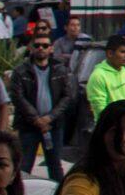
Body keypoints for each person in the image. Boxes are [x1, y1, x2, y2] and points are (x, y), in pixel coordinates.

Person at [8, 29, 75, 182]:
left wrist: (50, 118)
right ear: (31, 47)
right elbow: (17, 97)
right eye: (37, 45)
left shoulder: (60, 69)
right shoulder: (21, 71)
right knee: (24, 165)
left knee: (55, 165)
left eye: (45, 45)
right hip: (28, 125)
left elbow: (67, 96)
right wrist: (36, 119)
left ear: (51, 48)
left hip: (53, 126)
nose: (41, 48)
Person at [83, 33, 125, 122]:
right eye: (123, 52)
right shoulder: (98, 76)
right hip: (109, 130)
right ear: (110, 53)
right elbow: (100, 110)